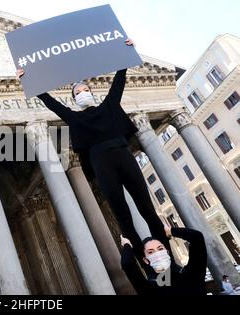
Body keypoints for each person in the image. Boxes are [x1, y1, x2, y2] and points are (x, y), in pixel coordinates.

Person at [16, 39, 169, 261]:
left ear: (91, 92)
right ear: (75, 99)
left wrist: (126, 51)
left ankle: (166, 259)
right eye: (78, 92)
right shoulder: (74, 117)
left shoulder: (109, 106)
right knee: (123, 217)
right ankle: (147, 265)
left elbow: (119, 81)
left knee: (147, 209)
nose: (83, 92)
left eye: (86, 89)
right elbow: (51, 103)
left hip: (123, 156)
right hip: (102, 164)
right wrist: (26, 80)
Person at [120, 225, 207, 295]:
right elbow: (127, 264)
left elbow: (197, 237)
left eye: (160, 249)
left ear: (167, 252)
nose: (158, 254)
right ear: (146, 260)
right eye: (151, 252)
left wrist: (171, 231)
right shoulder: (150, 289)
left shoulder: (192, 274)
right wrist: (127, 245)